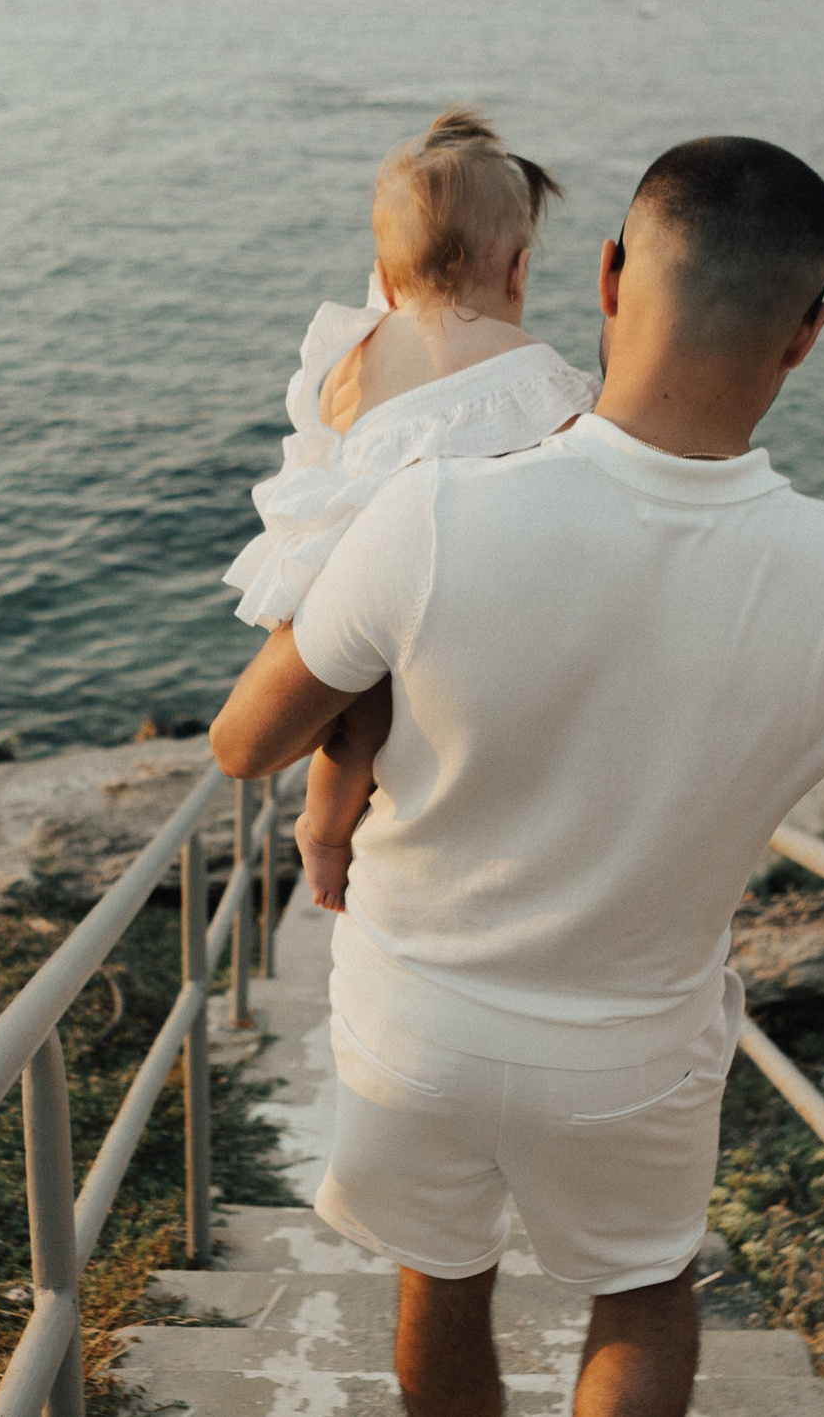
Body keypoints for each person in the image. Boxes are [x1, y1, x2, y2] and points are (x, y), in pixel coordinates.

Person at [211, 136, 824, 1417]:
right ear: (809, 331)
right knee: (644, 1300)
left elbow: (243, 743)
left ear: (605, 274)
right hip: (630, 1052)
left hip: (414, 1019)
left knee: (440, 1274)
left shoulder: (431, 512)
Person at [222, 107, 597, 912]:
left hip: (347, 573)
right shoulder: (538, 374)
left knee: (357, 728)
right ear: (520, 272)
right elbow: (585, 461)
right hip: (461, 594)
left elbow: (325, 440)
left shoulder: (352, 352)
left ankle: (323, 839)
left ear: (384, 278)